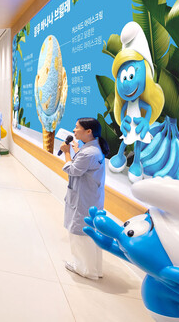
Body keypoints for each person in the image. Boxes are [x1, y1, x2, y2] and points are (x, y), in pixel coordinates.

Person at [59, 117, 109, 280]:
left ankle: (84, 269)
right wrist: (76, 150)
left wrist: (67, 152)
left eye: (77, 127)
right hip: (90, 197)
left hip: (83, 199)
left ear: (88, 131)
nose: (74, 130)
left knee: (80, 234)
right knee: (90, 234)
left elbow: (73, 170)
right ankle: (94, 269)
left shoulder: (89, 152)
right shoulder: (93, 148)